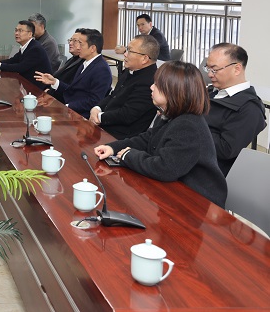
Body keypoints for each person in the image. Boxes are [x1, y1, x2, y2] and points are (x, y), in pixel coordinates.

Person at [94, 61, 227, 207]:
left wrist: (128, 155)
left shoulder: (188, 125)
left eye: (157, 84)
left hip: (197, 200)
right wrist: (113, 148)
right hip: (175, 190)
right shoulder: (170, 114)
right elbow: (147, 139)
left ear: (173, 91)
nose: (151, 87)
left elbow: (165, 168)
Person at [204, 43, 266, 176]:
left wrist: (190, 126)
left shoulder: (249, 108)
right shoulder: (211, 92)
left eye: (214, 70)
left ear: (237, 69)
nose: (209, 74)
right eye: (208, 68)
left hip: (206, 175)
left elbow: (226, 150)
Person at [89, 35, 159, 139]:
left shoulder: (150, 81)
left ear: (144, 58)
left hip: (121, 136)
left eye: (130, 51)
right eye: (126, 49)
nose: (125, 54)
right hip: (106, 124)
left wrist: (99, 117)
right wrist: (97, 108)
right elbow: (113, 95)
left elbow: (127, 114)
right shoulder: (130, 70)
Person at [35, 28, 112, 118]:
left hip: (82, 116)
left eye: (81, 44)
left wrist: (67, 107)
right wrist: (55, 82)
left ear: (92, 48)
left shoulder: (102, 69)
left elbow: (94, 101)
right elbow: (74, 90)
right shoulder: (84, 63)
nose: (78, 47)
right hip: (71, 110)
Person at [0, 20, 51, 87]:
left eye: (20, 31)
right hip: (27, 84)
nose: (16, 33)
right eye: (16, 30)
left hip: (38, 88)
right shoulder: (27, 46)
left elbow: (20, 67)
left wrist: (0, 65)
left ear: (30, 34)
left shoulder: (35, 49)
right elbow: (12, 60)